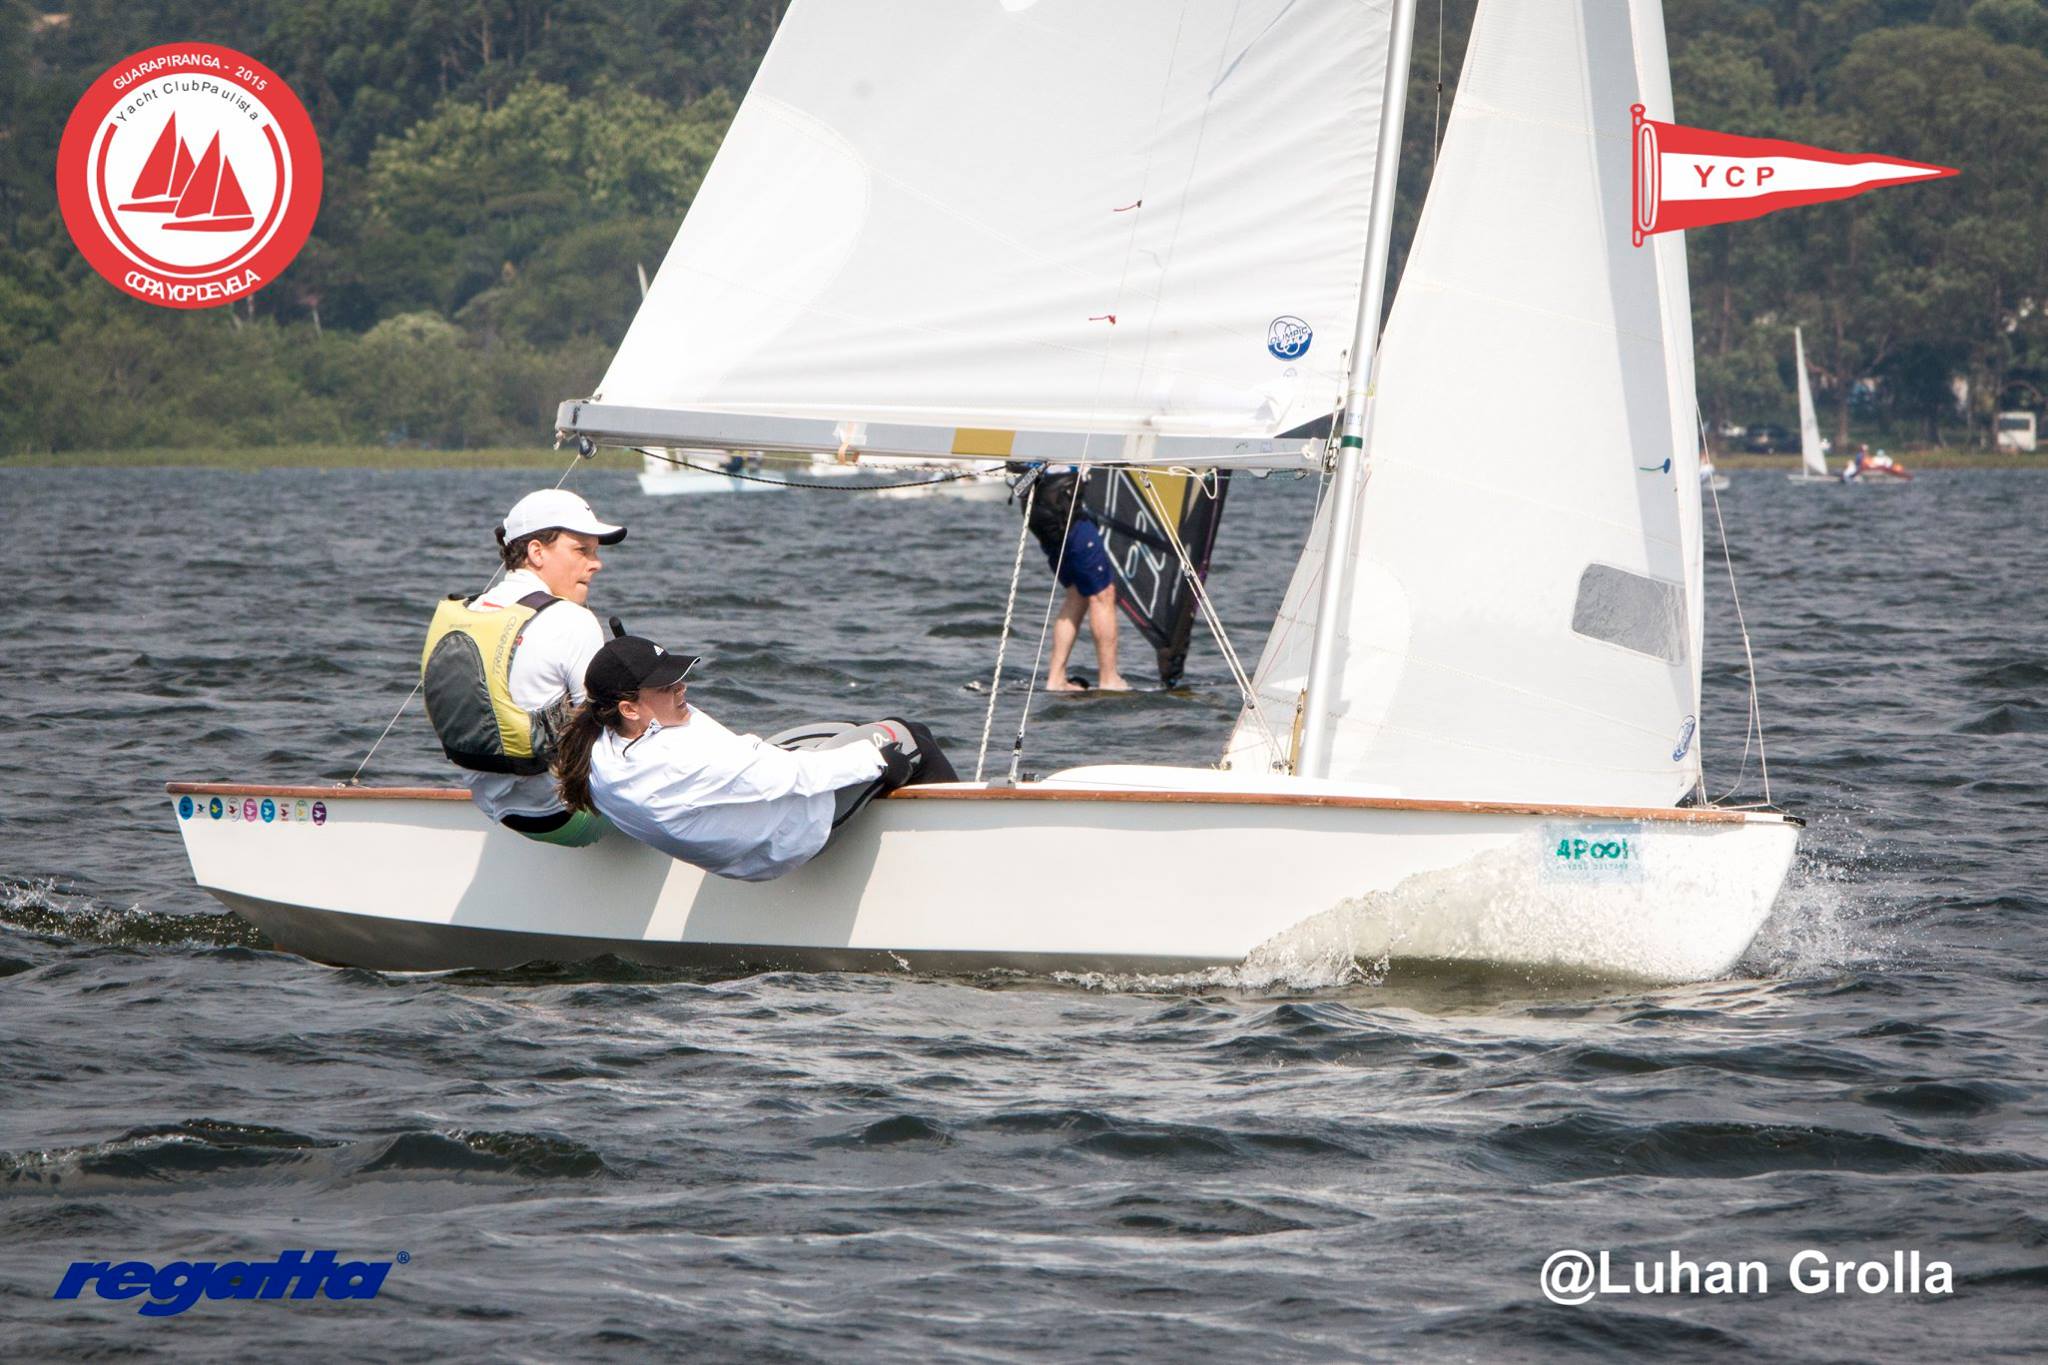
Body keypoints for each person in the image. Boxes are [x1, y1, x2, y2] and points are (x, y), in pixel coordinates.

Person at [553, 635, 958, 880]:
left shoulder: (598, 745)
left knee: (850, 729)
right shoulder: (679, 759)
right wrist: (880, 762)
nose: (682, 689)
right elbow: (795, 775)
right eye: (666, 686)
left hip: (750, 827)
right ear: (629, 708)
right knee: (911, 736)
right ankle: (957, 866)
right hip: (795, 831)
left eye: (678, 678)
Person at [419, 489, 626, 846]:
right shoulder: (572, 620)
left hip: (492, 804)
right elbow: (609, 735)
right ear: (536, 552)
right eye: (582, 550)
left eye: (595, 552)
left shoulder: (467, 612)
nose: (596, 564)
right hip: (562, 814)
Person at [1014, 464, 1130, 692]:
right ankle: (1109, 679)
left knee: (1077, 592)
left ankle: (1056, 679)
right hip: (1063, 507)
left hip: (1040, 512)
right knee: (1103, 594)